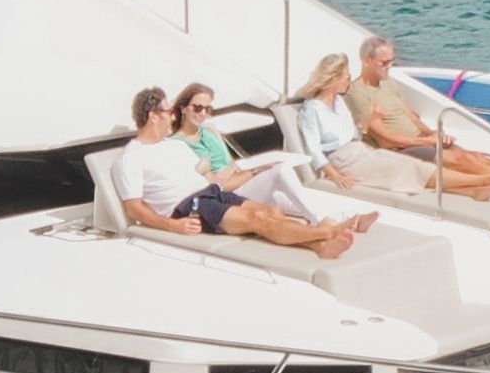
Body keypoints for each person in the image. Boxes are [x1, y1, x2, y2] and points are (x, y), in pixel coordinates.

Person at [109, 86, 365, 258]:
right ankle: (326, 232)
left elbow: (209, 179)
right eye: (167, 112)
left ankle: (319, 246)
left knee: (270, 212)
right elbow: (134, 208)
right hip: (189, 206)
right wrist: (173, 226)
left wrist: (253, 173)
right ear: (153, 116)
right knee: (257, 219)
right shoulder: (130, 158)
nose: (172, 117)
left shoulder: (174, 146)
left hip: (210, 193)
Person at [352, 35, 490, 201]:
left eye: (391, 61)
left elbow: (412, 116)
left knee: (476, 157)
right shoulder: (359, 92)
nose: (389, 66)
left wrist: (434, 134)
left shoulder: (389, 84)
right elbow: (385, 138)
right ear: (367, 61)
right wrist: (428, 141)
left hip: (421, 140)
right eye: (384, 63)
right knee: (464, 161)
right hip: (399, 149)